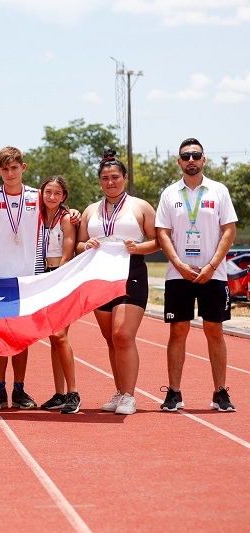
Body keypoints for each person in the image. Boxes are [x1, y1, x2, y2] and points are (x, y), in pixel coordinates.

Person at [155, 138, 238, 412]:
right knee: (178, 330)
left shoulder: (219, 190)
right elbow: (162, 233)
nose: (191, 160)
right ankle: (174, 393)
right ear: (179, 161)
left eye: (196, 155)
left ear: (204, 160)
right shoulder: (169, 194)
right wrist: (178, 264)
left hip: (212, 273)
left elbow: (229, 230)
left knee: (214, 330)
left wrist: (212, 265)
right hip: (179, 274)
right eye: (186, 156)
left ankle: (220, 392)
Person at [77, 149, 159, 415]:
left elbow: (158, 241)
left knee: (123, 334)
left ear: (124, 177)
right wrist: (84, 244)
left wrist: (139, 247)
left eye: (115, 177)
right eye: (105, 178)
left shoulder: (140, 206)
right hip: (99, 278)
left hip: (131, 275)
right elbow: (78, 245)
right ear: (100, 181)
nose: (110, 182)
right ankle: (119, 390)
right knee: (111, 339)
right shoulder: (91, 210)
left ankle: (130, 395)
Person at [0, 146, 42, 410]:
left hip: (27, 277)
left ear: (23, 168)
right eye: (5, 169)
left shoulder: (37, 196)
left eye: (15, 168)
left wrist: (72, 213)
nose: (10, 173)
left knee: (21, 337)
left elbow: (60, 213)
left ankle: (20, 389)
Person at [36, 176, 80, 414]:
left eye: (57, 193)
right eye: (48, 192)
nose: (51, 197)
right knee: (53, 338)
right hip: (41, 276)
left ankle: (73, 392)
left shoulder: (66, 218)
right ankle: (59, 393)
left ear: (64, 196)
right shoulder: (37, 216)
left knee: (60, 335)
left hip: (61, 277)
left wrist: (57, 279)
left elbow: (68, 251)